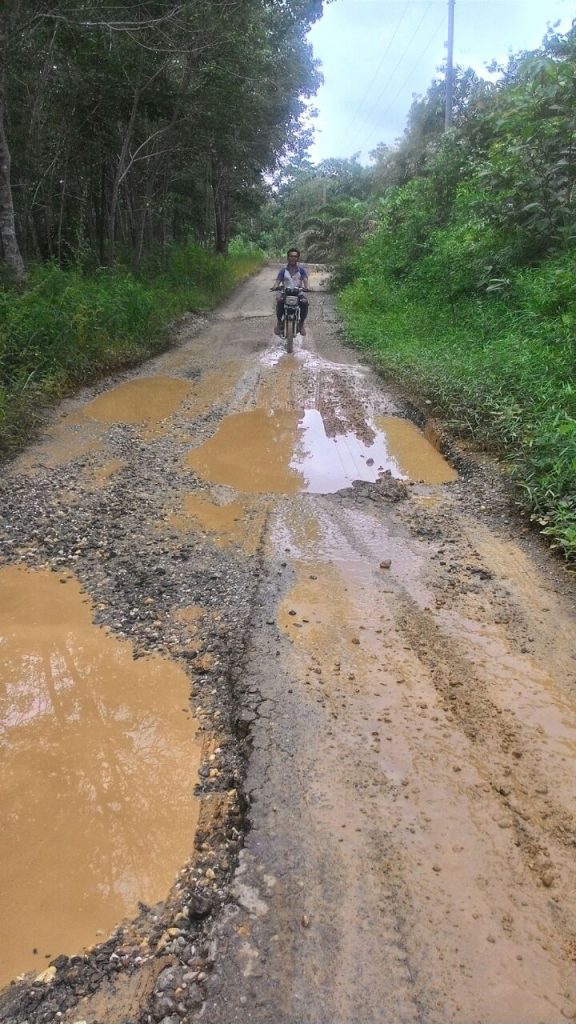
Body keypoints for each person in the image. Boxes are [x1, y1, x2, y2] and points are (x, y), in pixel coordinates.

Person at [272, 248, 309, 336]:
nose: (293, 258)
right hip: (285, 292)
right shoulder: (283, 271)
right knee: (279, 301)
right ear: (288, 258)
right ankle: (279, 322)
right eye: (291, 256)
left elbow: (306, 281)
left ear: (298, 258)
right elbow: (277, 282)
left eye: (295, 256)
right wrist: (275, 287)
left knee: (304, 302)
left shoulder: (302, 271)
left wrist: (307, 288)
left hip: (298, 293)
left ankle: (301, 323)